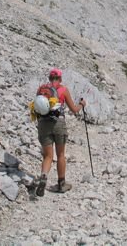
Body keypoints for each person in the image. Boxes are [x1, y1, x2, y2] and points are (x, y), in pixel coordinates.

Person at [35, 68, 86, 196]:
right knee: (61, 154)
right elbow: (74, 109)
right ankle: (61, 184)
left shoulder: (41, 89)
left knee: (47, 156)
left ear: (49, 78)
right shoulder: (63, 90)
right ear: (60, 78)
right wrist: (82, 104)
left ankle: (43, 177)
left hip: (43, 124)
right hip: (59, 123)